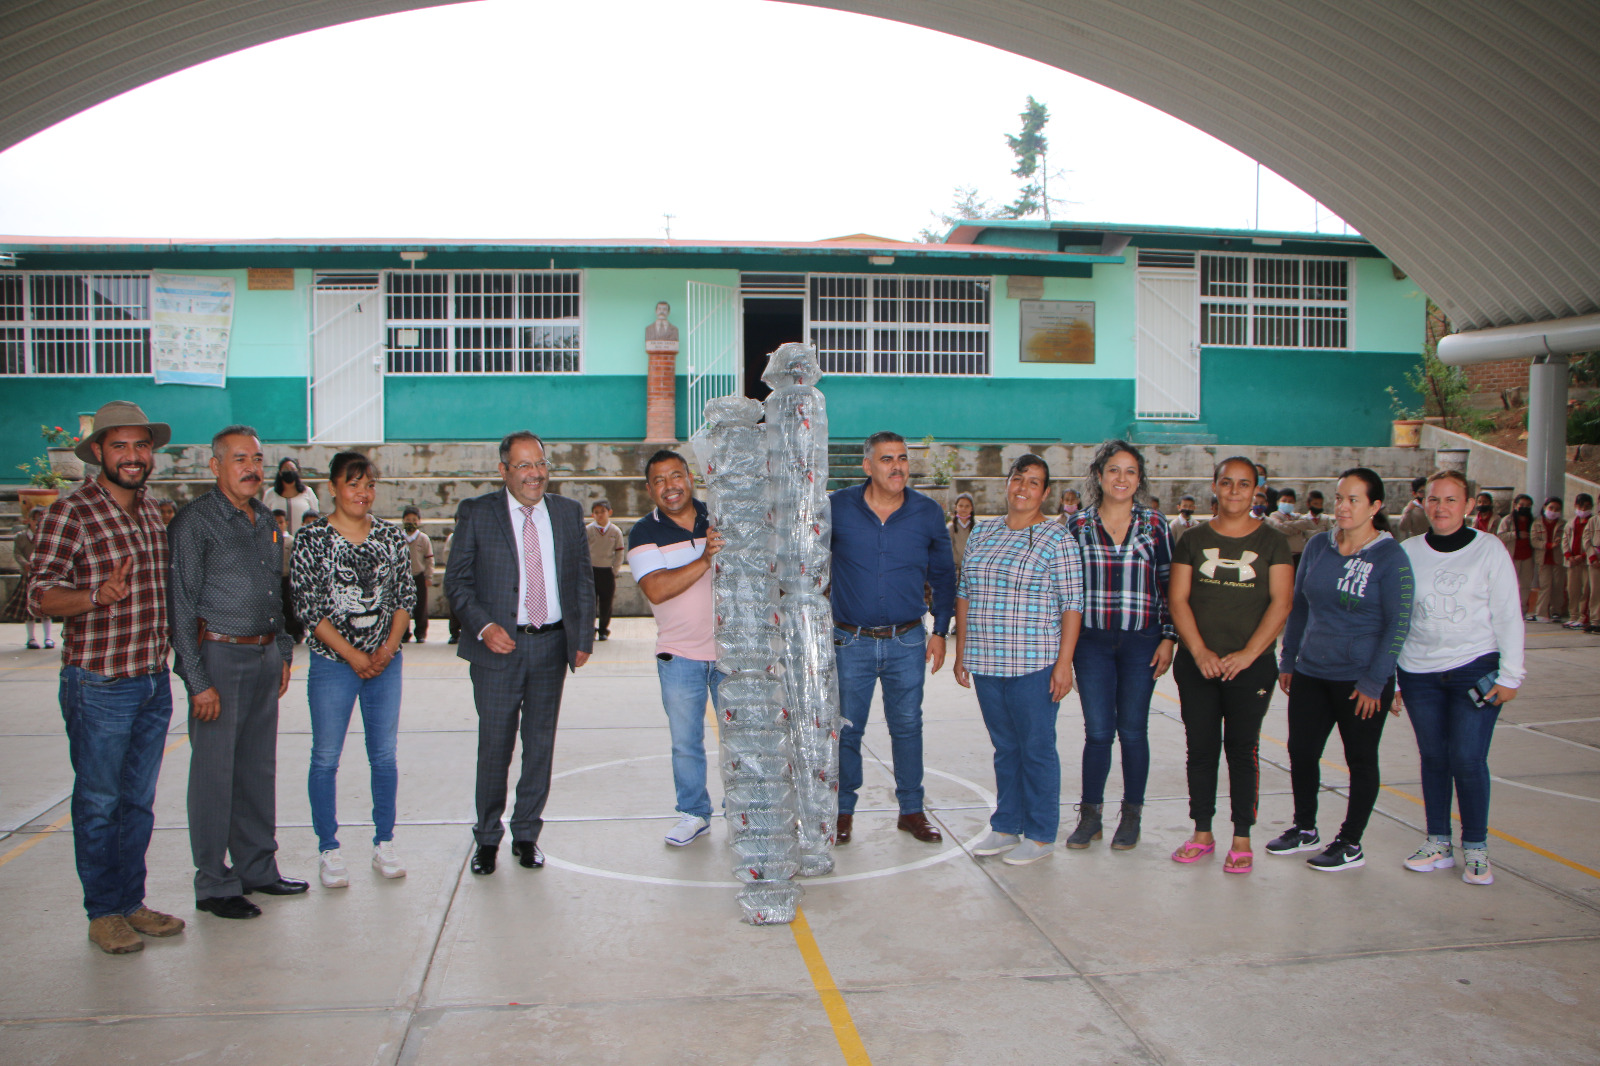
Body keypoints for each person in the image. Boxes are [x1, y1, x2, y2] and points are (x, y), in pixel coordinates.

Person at [29, 401, 185, 954]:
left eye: (141, 446)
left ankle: (131, 902)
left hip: (150, 680)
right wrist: (96, 595)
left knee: (138, 803)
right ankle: (103, 911)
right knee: (99, 801)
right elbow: (39, 594)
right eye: (120, 446)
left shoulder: (153, 512)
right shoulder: (70, 513)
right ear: (97, 452)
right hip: (98, 684)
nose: (133, 456)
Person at [168, 425, 303, 920]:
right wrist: (196, 678)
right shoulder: (195, 523)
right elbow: (180, 607)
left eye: (258, 458)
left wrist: (284, 649)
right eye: (240, 458)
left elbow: (277, 590)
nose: (252, 467)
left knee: (256, 769)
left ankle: (257, 868)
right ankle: (214, 882)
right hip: (219, 657)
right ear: (216, 466)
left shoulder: (265, 520)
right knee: (213, 774)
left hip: (265, 656)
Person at [445, 431, 594, 875]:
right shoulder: (477, 513)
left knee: (540, 746)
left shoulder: (567, 513)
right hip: (497, 651)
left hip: (551, 646)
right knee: (494, 747)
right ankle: (487, 837)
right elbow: (457, 582)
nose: (535, 474)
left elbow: (582, 579)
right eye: (524, 465)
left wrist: (582, 635)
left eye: (541, 464)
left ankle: (527, 834)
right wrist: (485, 626)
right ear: (504, 470)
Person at [1269, 468, 1413, 871]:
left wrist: (1375, 681)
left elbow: (1398, 624)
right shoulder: (1318, 546)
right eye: (1339, 498)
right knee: (1301, 751)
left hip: (1360, 681)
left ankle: (1350, 843)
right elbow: (1299, 608)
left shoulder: (1390, 557)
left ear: (1375, 506)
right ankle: (1304, 827)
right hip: (1312, 672)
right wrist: (1289, 659)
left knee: (1361, 759)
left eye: (1354, 499)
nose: (1343, 506)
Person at [1396, 470, 1525, 886]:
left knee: (1468, 759)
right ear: (1423, 502)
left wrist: (1511, 675)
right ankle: (1438, 842)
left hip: (1475, 667)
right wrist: (1394, 678)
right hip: (1418, 673)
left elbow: (1508, 614)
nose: (1441, 507)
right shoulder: (1409, 551)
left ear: (1469, 506)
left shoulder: (1489, 550)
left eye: (1452, 500)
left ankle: (1476, 848)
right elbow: (1397, 618)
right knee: (1433, 758)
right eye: (1434, 499)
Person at [292, 452, 414, 888]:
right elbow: (310, 609)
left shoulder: (391, 537)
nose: (362, 493)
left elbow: (404, 598)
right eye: (353, 484)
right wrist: (353, 655)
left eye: (369, 485)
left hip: (386, 663)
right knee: (325, 758)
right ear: (332, 487)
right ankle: (329, 849)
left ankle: (385, 842)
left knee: (384, 756)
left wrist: (387, 650)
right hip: (332, 665)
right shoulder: (312, 541)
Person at [955, 454, 1084, 865]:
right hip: (987, 661)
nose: (1023, 488)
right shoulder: (984, 532)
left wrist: (1064, 663)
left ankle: (1042, 833)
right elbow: (965, 592)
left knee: (1037, 747)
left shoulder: (1057, 538)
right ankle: (1007, 825)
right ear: (1007, 483)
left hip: (1035, 663)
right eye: (1018, 479)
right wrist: (962, 653)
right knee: (1005, 747)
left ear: (1045, 493)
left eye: (1034, 482)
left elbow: (1072, 604)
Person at [1168, 456, 1294, 874]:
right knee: (1200, 750)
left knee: (1242, 750)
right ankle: (1202, 832)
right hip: (1197, 666)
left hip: (1250, 667)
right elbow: (1179, 599)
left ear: (1256, 490)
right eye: (1227, 483)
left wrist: (1248, 654)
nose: (1235, 491)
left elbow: (1282, 602)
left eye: (1244, 484)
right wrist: (1200, 651)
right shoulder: (1191, 538)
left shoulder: (1272, 542)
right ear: (1215, 487)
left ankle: (1242, 836)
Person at [829, 431, 955, 845]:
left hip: (908, 641)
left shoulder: (927, 513)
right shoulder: (836, 508)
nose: (897, 466)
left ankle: (911, 810)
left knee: (907, 727)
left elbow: (942, 575)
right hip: (851, 642)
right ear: (867, 466)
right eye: (886, 459)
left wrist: (940, 631)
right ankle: (841, 812)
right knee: (846, 730)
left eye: (902, 458)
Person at [1062, 441, 1175, 851]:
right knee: (1097, 732)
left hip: (1140, 641)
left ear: (1139, 478)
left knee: (1132, 731)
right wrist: (1066, 651)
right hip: (1091, 643)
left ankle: (1131, 816)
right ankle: (1090, 816)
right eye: (1113, 470)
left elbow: (1169, 587)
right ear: (1098, 475)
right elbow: (1067, 594)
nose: (1121, 478)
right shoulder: (1076, 527)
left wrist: (1168, 638)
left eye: (1129, 471)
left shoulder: (1156, 525)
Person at [627, 450, 724, 846]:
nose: (670, 486)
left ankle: (748, 809)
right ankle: (693, 813)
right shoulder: (643, 533)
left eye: (676, 476)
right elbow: (657, 588)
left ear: (690, 477)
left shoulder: (719, 515)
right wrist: (704, 559)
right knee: (686, 741)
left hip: (735, 655)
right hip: (679, 654)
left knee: (745, 737)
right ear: (650, 489)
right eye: (660, 480)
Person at [9, 506, 55, 649]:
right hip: (28, 576)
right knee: (28, 610)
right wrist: (25, 564)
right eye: (35, 520)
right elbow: (17, 553)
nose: (38, 523)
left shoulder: (47, 536)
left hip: (43, 576)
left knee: (46, 609)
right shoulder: (22, 537)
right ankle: (31, 638)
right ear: (29, 520)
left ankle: (48, 638)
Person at [587, 500, 625, 641]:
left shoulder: (615, 531)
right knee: (590, 603)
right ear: (592, 515)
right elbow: (582, 551)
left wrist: (614, 570)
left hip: (607, 572)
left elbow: (619, 552)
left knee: (606, 603)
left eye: (602, 512)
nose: (599, 515)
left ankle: (603, 629)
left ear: (609, 512)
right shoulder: (588, 530)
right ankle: (590, 630)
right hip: (591, 572)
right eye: (596, 512)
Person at [1496, 494, 1538, 618]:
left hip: (1528, 557)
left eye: (1528, 506)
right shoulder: (1507, 520)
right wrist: (1516, 534)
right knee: (1509, 585)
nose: (1525, 508)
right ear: (1515, 505)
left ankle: (1522, 610)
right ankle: (1507, 610)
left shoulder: (1534, 521)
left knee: (1525, 585)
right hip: (1512, 556)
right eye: (1522, 505)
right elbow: (1500, 536)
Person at [400, 505, 435, 643]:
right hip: (403, 577)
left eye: (414, 519)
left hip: (419, 576)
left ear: (419, 521)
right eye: (408, 519)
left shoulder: (423, 539)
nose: (411, 522)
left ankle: (420, 633)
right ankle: (403, 634)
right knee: (403, 607)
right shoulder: (399, 538)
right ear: (403, 520)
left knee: (420, 606)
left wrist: (429, 576)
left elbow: (429, 559)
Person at [271, 509, 304, 644]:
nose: (278, 525)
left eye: (281, 522)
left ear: (286, 523)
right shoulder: (269, 539)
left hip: (288, 577)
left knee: (291, 606)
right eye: (275, 522)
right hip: (275, 578)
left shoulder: (291, 541)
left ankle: (296, 632)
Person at [262, 457, 320, 534]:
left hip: (303, 540)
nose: (289, 471)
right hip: (276, 540)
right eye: (286, 469)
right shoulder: (270, 494)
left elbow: (315, 518)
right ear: (280, 472)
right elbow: (264, 520)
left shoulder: (307, 492)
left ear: (297, 472)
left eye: (292, 469)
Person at [1532, 496, 1566, 622]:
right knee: (1545, 586)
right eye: (1551, 508)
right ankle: (1541, 612)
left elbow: (1568, 539)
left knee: (1558, 586)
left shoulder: (1563, 524)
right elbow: (1534, 540)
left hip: (1558, 560)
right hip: (1543, 559)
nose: (1553, 511)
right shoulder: (1537, 523)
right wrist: (1548, 545)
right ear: (1545, 507)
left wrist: (1560, 541)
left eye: (1557, 509)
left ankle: (1556, 611)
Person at [1566, 494, 1597, 631]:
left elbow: (1590, 542)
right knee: (1572, 589)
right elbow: (1565, 540)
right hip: (1572, 562)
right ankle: (1573, 616)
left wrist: (1584, 556)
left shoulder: (1593, 521)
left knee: (1586, 590)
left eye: (1587, 506)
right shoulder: (1571, 523)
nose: (1584, 509)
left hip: (1586, 561)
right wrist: (1568, 556)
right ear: (1575, 506)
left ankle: (1583, 617)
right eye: (1581, 506)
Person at [1396, 476, 1431, 541]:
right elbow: (1403, 527)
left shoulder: (1434, 507)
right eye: (1421, 492)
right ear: (1414, 494)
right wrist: (1408, 510)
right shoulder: (1411, 510)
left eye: (1426, 491)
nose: (1425, 495)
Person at [949, 492, 976, 566]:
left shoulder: (978, 526)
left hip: (973, 567)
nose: (963, 508)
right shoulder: (950, 527)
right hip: (955, 568)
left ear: (972, 508)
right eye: (960, 506)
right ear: (955, 507)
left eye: (967, 506)